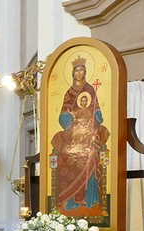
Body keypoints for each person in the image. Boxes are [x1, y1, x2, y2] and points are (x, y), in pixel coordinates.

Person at [50, 56, 110, 212]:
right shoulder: (69, 92)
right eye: (76, 70)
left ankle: (90, 198)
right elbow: (63, 115)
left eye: (81, 69)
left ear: (85, 72)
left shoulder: (90, 89)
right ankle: (71, 199)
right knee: (66, 153)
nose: (79, 72)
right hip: (73, 133)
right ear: (72, 73)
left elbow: (97, 112)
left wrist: (94, 115)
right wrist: (71, 117)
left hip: (89, 132)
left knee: (91, 153)